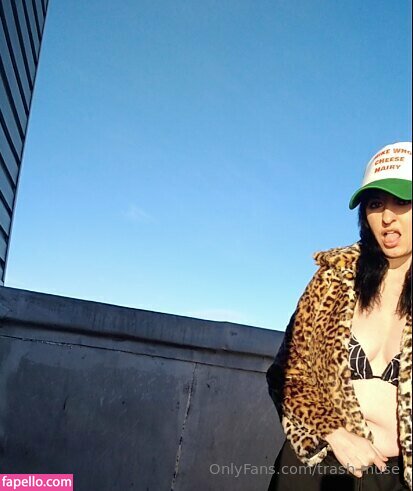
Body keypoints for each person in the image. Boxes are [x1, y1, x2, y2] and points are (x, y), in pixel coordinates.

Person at [266, 142, 412, 491]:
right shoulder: (333, 279)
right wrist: (335, 433)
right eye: (375, 204)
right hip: (318, 464)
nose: (387, 217)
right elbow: (287, 374)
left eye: (402, 201)